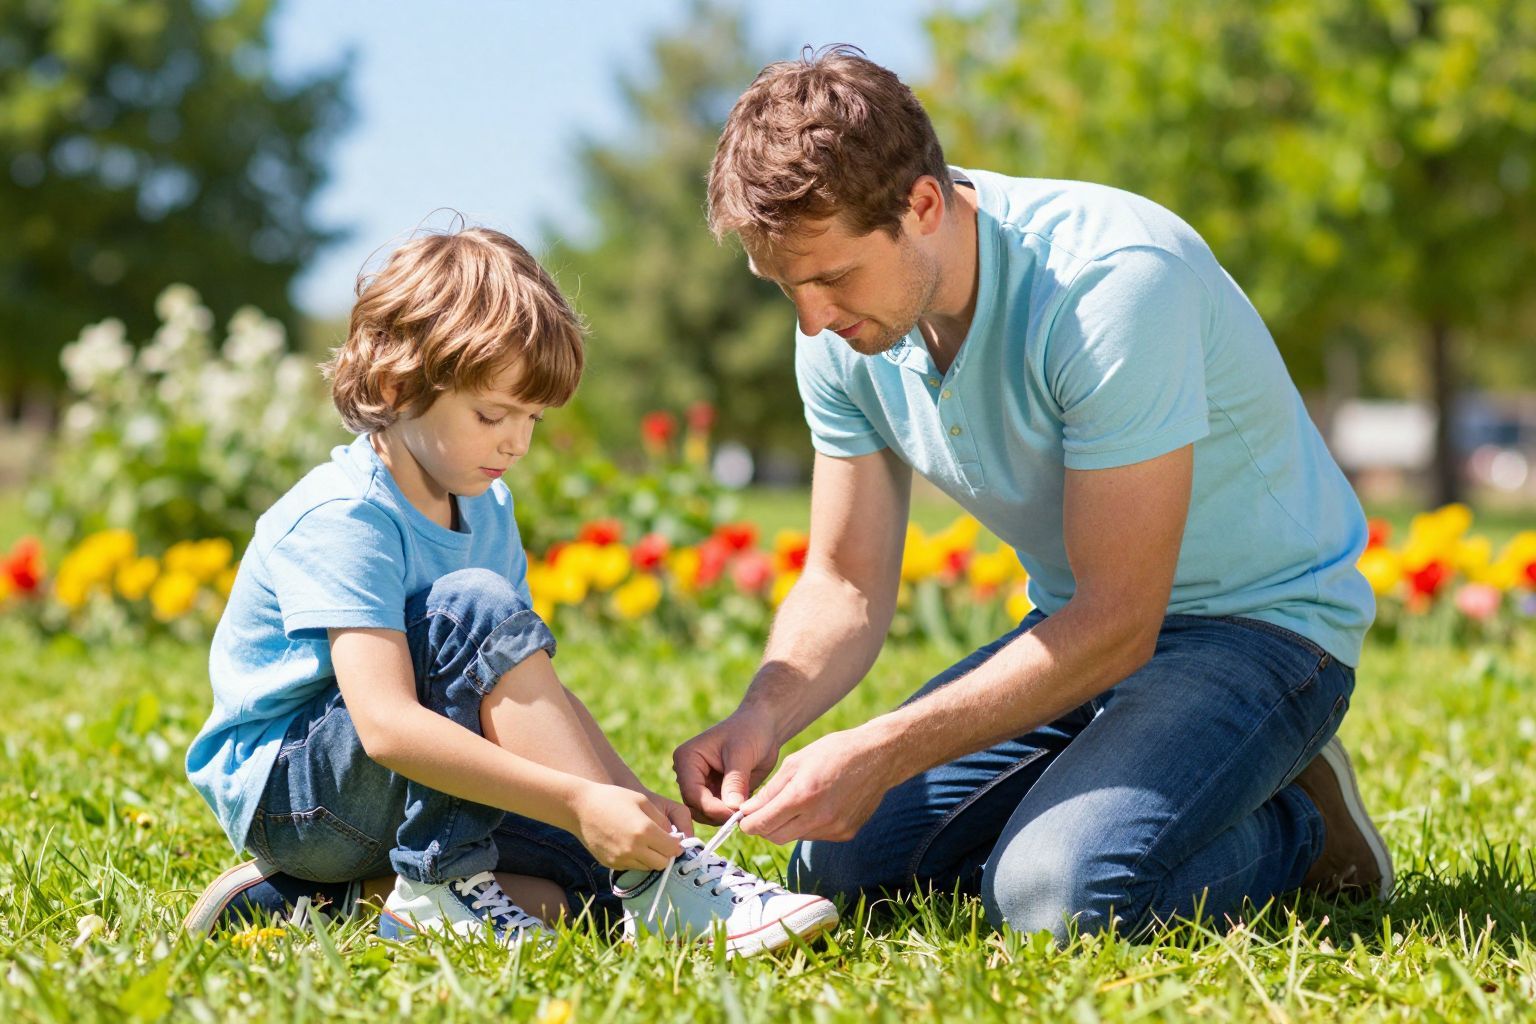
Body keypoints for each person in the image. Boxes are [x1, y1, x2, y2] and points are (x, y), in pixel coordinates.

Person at [673, 47, 1393, 943]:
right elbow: (846, 579)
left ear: (922, 206)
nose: (812, 319)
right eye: (785, 287)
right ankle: (1139, 793)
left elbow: (1121, 618)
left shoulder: (1110, 281)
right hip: (1076, 638)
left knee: (1058, 901)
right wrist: (761, 714)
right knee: (841, 867)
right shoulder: (840, 337)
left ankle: (1301, 824)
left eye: (831, 278)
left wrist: (883, 748)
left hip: (1260, 634)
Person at [181, 226, 836, 955]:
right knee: (474, 611)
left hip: (393, 792)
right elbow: (388, 727)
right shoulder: (346, 514)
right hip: (302, 798)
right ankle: (450, 882)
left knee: (592, 884)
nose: (516, 443)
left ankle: (337, 907)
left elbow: (523, 682)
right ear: (398, 388)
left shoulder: (485, 506)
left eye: (532, 418)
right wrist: (576, 800)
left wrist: (629, 801)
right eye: (492, 415)